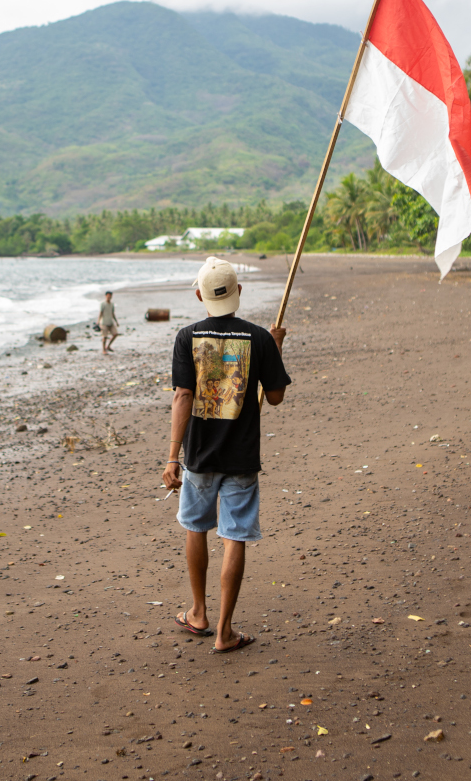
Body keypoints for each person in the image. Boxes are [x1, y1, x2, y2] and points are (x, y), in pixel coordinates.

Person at [162, 257, 289, 654]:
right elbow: (276, 396)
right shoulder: (259, 338)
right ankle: (225, 631)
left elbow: (183, 395)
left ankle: (198, 612)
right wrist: (275, 349)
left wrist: (172, 458)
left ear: (199, 294)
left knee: (195, 527)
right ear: (239, 293)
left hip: (198, 454)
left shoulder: (187, 337)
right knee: (234, 535)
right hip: (240, 456)